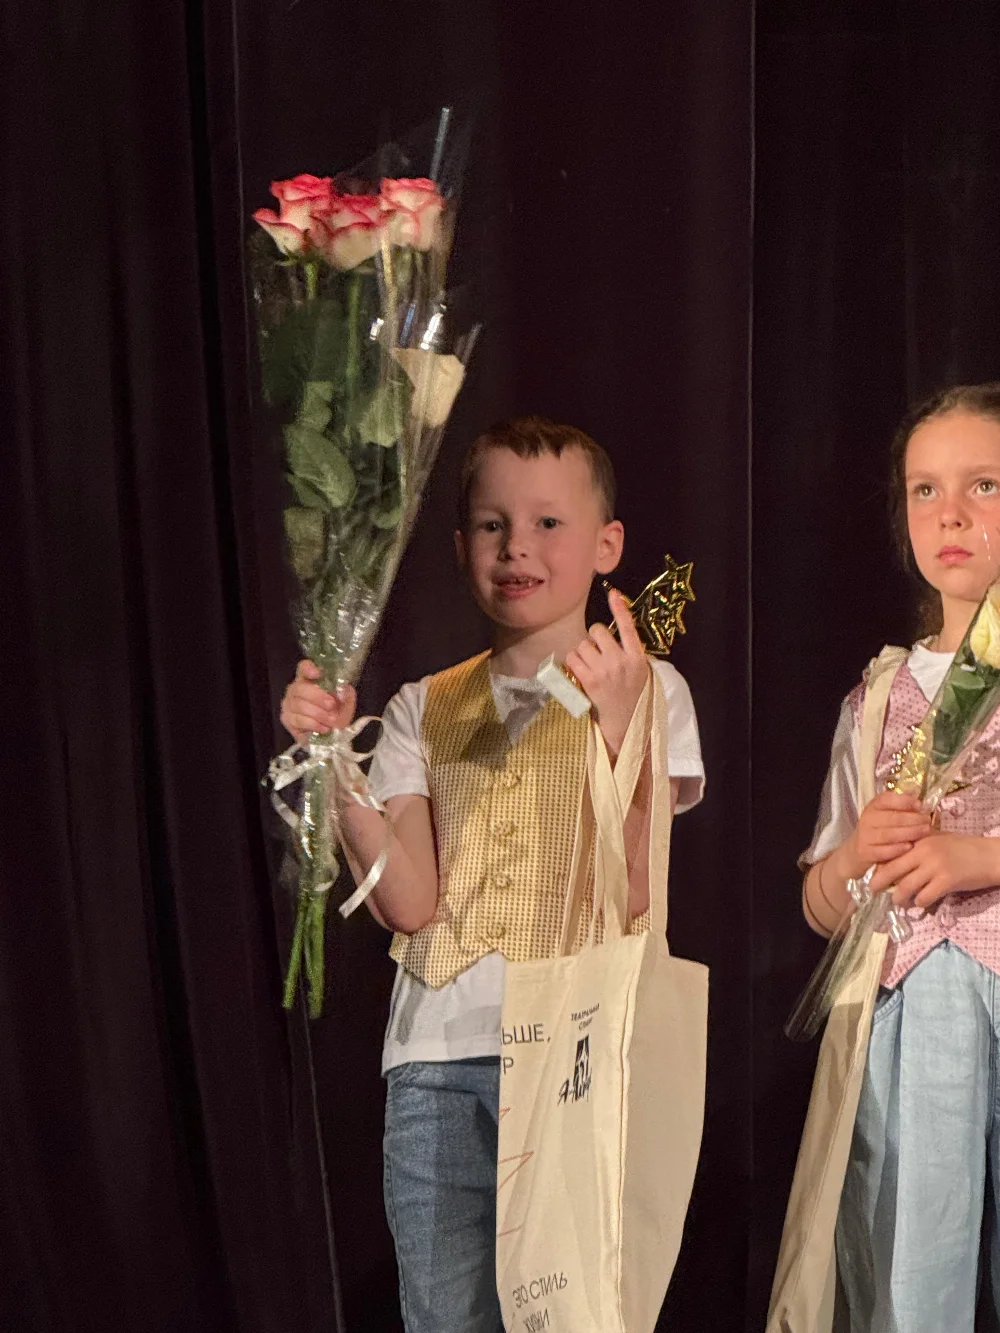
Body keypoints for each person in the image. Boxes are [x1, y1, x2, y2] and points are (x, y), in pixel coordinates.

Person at [281, 416, 704, 1333]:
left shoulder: (649, 687)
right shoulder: (419, 705)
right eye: (491, 524)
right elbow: (409, 900)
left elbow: (635, 891)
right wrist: (332, 760)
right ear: (459, 545)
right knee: (446, 1315)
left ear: (606, 545)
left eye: (548, 523)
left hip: (574, 1051)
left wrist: (619, 729)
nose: (517, 546)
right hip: (437, 1059)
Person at [777, 384, 1000, 1333]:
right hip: (912, 1006)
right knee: (913, 1265)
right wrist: (855, 859)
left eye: (984, 484)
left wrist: (976, 855)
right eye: (924, 489)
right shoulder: (879, 693)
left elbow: (965, 859)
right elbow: (825, 901)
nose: (950, 513)